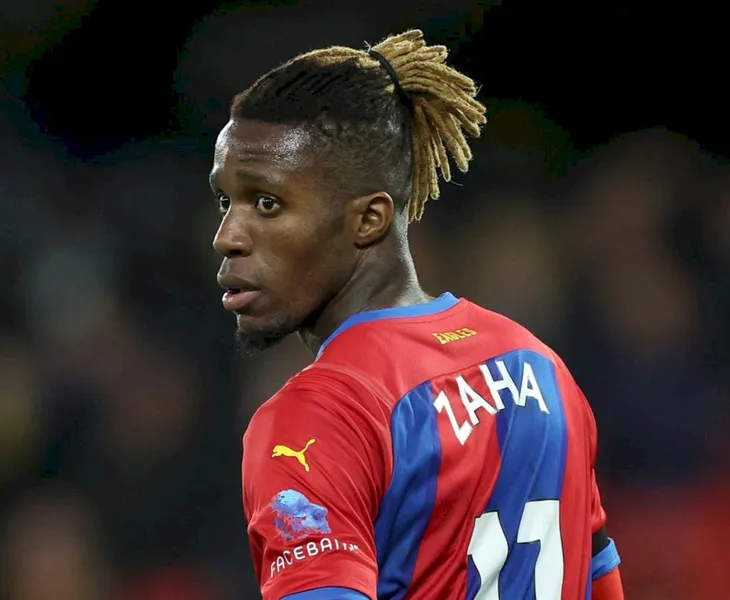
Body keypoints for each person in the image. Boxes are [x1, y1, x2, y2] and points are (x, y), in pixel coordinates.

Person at [210, 29, 623, 600]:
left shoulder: (321, 415)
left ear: (369, 219)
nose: (227, 236)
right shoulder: (538, 364)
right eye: (225, 201)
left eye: (267, 203)